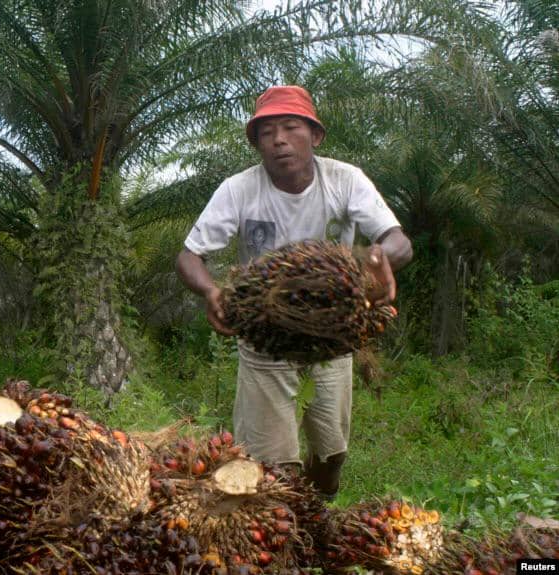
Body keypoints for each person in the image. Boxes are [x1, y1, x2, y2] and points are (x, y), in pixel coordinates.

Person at [175, 85, 413, 501]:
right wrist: (211, 291)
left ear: (315, 135)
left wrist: (376, 257)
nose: (279, 139)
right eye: (267, 132)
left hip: (330, 336)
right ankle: (285, 531)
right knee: (271, 466)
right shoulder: (239, 189)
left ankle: (319, 510)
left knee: (331, 451)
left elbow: (399, 241)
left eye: (290, 127)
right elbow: (189, 257)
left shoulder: (344, 180)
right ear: (257, 143)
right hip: (266, 338)